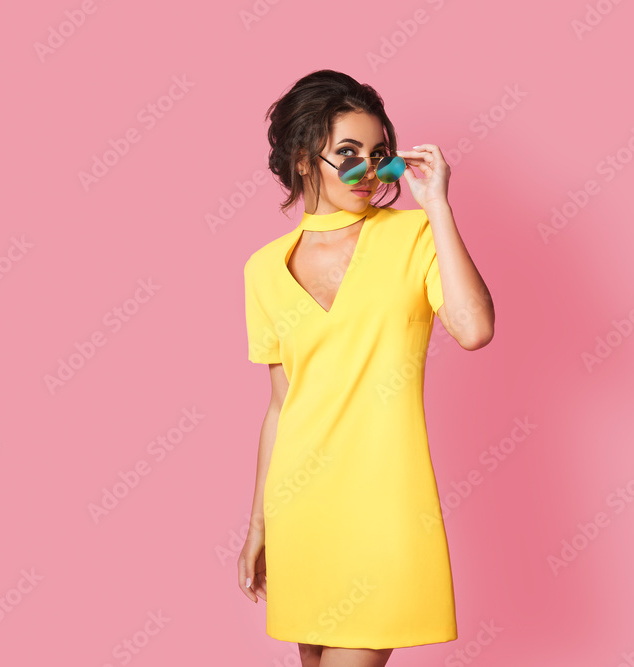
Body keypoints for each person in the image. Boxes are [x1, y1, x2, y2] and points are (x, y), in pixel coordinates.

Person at [237, 69, 495, 667]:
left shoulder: (414, 235)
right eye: (349, 154)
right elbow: (281, 405)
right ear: (305, 160)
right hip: (301, 507)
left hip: (386, 505)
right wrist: (258, 526)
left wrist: (437, 206)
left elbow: (474, 329)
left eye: (380, 156)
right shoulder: (263, 269)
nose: (371, 172)